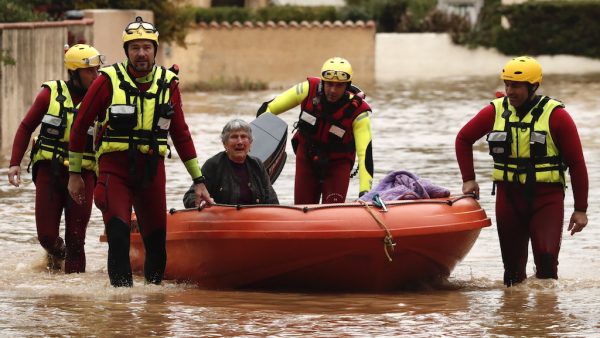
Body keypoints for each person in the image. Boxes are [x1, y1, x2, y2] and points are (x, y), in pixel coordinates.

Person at [67, 16, 213, 287]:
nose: (141, 53)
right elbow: (80, 126)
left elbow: (180, 135)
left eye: (147, 47)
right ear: (127, 51)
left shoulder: (169, 83)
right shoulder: (107, 80)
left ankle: (153, 310)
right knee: (119, 238)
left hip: (151, 172)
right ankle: (120, 310)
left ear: (155, 50)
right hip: (114, 170)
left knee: (157, 244)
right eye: (135, 48)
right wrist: (75, 173)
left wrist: (199, 180)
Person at [455, 56, 588, 287]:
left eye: (515, 86)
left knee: (546, 262)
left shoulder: (557, 116)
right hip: (509, 197)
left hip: (547, 198)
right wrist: (469, 179)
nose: (509, 91)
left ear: (533, 86)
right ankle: (515, 317)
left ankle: (545, 318)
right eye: (506, 84)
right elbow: (463, 139)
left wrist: (580, 209)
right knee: (512, 274)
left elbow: (577, 164)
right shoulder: (495, 111)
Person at [7, 44, 104, 273]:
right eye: (90, 71)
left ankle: (73, 299)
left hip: (84, 172)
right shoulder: (50, 94)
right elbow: (25, 126)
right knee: (47, 237)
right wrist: (14, 163)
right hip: (49, 171)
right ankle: (57, 257)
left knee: (76, 240)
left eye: (98, 70)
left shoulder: (101, 98)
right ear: (75, 72)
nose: (96, 76)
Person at [257, 57, 373, 204]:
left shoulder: (359, 112)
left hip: (338, 165)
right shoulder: (307, 89)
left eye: (339, 86)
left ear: (347, 86)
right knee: (302, 209)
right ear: (323, 82)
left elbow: (365, 155)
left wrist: (365, 193)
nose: (332, 90)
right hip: (306, 159)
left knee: (332, 213)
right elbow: (268, 109)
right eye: (329, 84)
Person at [182, 119, 278, 207]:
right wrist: (202, 203)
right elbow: (190, 196)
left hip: (254, 221)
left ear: (250, 143)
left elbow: (272, 200)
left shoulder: (257, 165)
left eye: (243, 136)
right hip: (222, 221)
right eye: (234, 137)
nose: (239, 141)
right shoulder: (213, 165)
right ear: (225, 143)